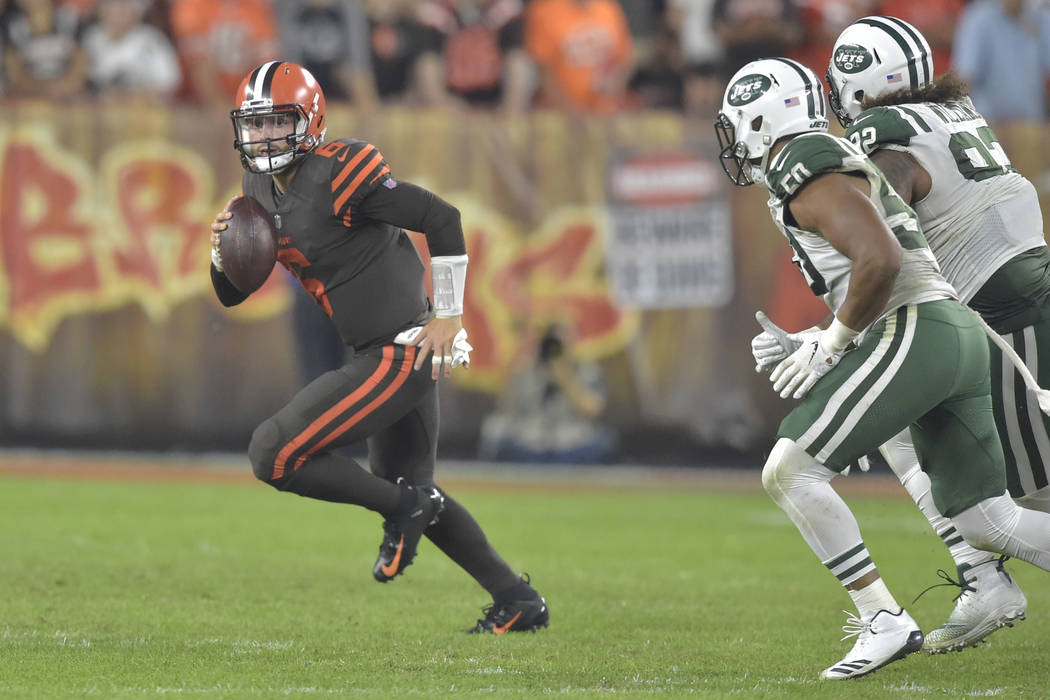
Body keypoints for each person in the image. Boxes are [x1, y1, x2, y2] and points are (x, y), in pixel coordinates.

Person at [716, 56, 1050, 679]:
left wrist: (832, 342)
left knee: (791, 471)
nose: (733, 142)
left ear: (760, 117)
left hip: (920, 330)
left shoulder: (800, 159)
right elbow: (881, 266)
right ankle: (972, 587)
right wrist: (815, 340)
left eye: (736, 124)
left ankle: (882, 619)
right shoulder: (826, 156)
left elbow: (882, 259)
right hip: (950, 332)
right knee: (988, 520)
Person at [208, 60, 548, 634]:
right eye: (255, 124)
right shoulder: (256, 189)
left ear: (309, 120)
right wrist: (222, 251)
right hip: (372, 352)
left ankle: (403, 511)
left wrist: (449, 313)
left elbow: (441, 218)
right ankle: (517, 601)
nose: (264, 137)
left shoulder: (340, 173)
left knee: (274, 453)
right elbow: (231, 293)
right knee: (416, 490)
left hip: (398, 352)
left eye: (277, 122)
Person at [825, 15, 1050, 652]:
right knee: (900, 425)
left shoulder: (881, 133)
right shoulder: (953, 110)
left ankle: (986, 576)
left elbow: (888, 235)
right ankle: (984, 582)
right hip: (1011, 299)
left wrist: (833, 334)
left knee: (1031, 499)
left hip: (1009, 312)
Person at [478, 323, 616, 464]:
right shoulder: (526, 371)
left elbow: (592, 409)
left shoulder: (586, 371)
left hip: (573, 442)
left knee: (604, 441)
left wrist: (566, 379)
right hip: (529, 443)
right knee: (494, 428)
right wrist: (515, 368)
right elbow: (504, 406)